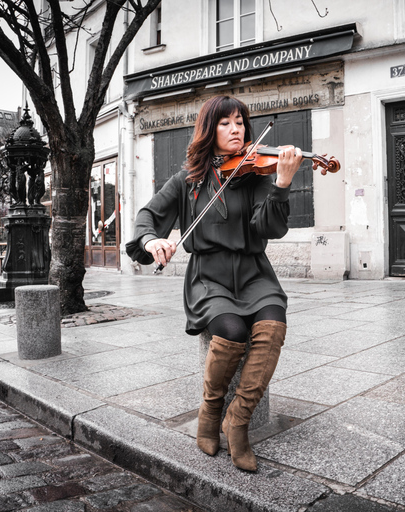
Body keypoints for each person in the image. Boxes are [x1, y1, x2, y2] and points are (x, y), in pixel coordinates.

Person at [126, 95, 310, 472]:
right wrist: (151, 240)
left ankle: (237, 421)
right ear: (210, 130)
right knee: (231, 329)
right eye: (226, 123)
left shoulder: (256, 172)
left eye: (240, 122)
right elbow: (147, 216)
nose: (236, 129)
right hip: (209, 276)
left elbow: (269, 228)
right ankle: (210, 410)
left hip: (253, 271)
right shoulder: (187, 180)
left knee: (273, 323)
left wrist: (282, 184)